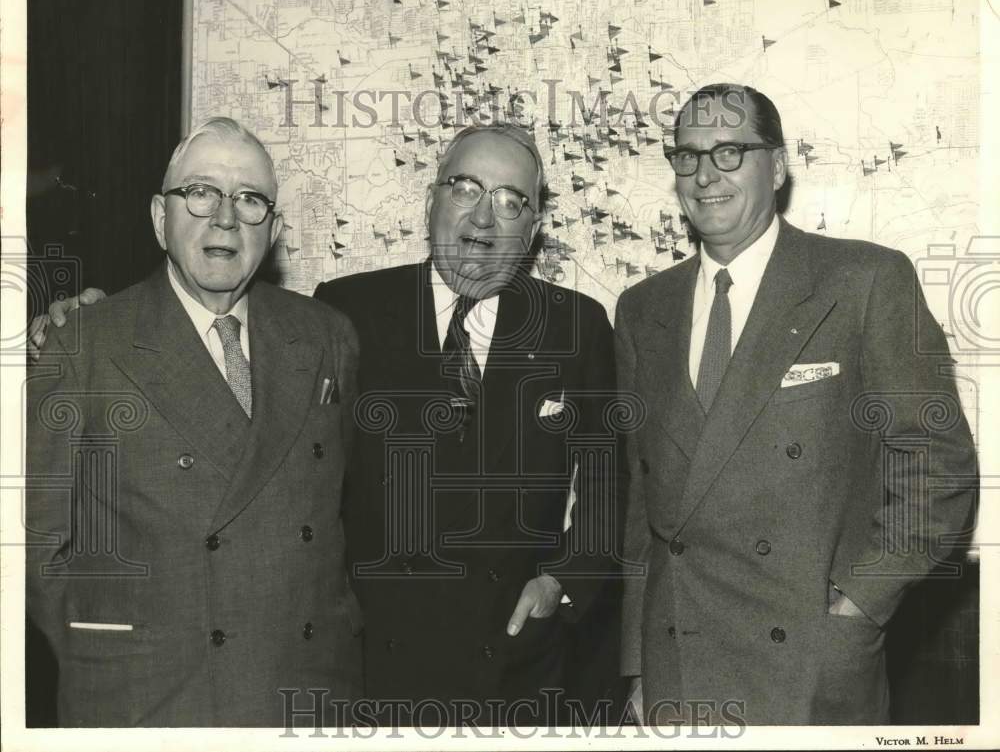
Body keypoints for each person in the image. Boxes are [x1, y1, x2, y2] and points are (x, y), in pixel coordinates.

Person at [32, 123, 623, 726]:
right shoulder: (346, 312)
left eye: (510, 200)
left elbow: (608, 485)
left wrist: (562, 582)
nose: (484, 216)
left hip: (516, 663)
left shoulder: (576, 326)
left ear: (533, 227)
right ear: (431, 201)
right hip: (373, 670)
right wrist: (86, 319)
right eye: (466, 188)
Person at [615, 83, 978, 725]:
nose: (705, 175)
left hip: (808, 666)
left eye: (730, 152)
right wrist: (640, 664)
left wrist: (858, 608)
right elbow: (642, 500)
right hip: (678, 666)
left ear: (778, 167)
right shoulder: (644, 308)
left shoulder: (863, 281)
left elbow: (938, 467)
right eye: (688, 156)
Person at [25, 118, 363, 727]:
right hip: (152, 702)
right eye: (201, 192)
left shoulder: (326, 336)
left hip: (305, 697)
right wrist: (109, 651)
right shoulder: (84, 343)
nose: (226, 219)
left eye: (250, 200)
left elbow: (341, 513)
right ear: (161, 218)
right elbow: (37, 543)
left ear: (274, 230)